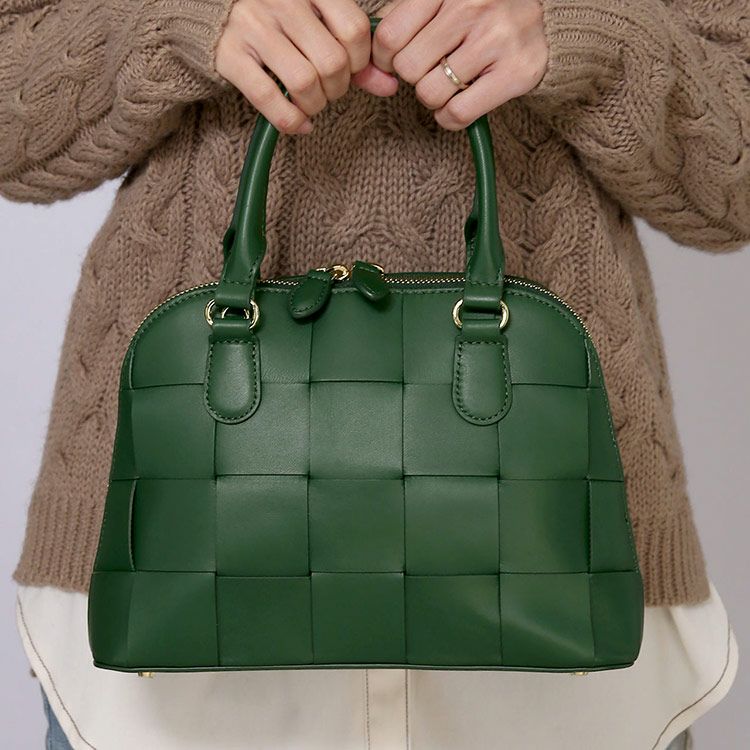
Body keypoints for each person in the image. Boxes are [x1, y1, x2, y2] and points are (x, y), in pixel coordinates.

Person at [2, 0, 746, 747]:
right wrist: (183, 19)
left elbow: (733, 181)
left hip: (555, 582)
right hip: (176, 576)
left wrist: (582, 33)